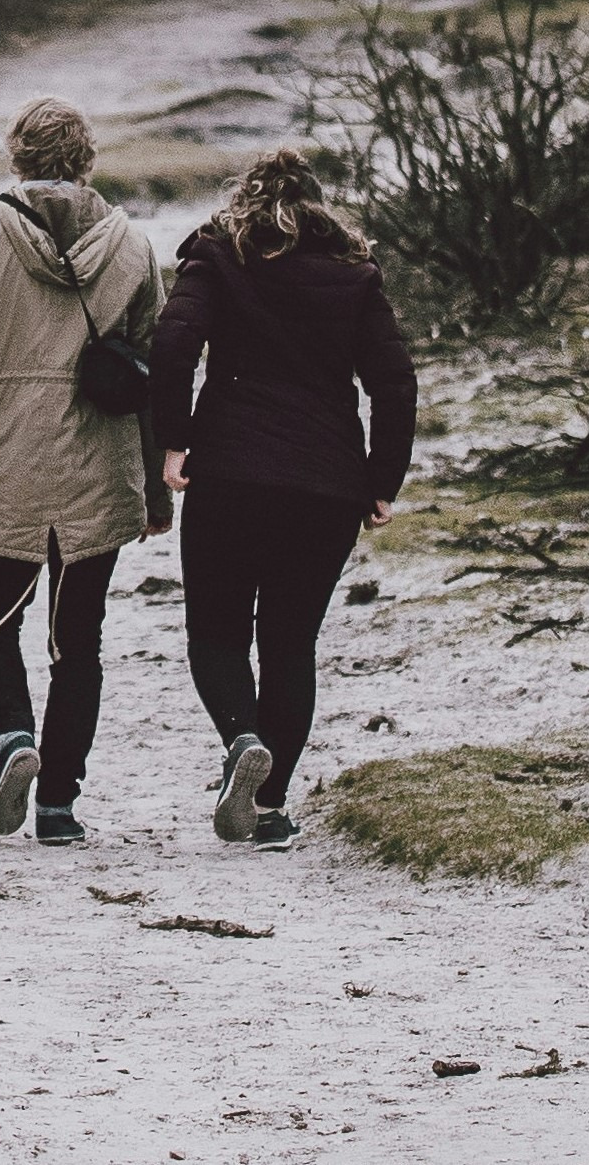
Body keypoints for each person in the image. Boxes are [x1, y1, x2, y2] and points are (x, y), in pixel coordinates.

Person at [0, 96, 173, 846]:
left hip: (4, 459)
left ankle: (12, 736)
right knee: (78, 643)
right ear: (85, 158)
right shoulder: (131, 244)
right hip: (99, 464)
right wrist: (155, 489)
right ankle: (58, 803)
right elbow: (154, 372)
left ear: (17, 155)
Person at [149, 149, 416, 848]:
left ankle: (242, 741)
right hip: (324, 485)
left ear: (245, 200)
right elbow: (393, 382)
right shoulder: (353, 277)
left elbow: (172, 346)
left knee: (215, 634)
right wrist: (379, 480)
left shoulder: (215, 258)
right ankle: (267, 808)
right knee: (291, 645)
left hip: (230, 475)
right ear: (321, 207)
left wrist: (172, 441)